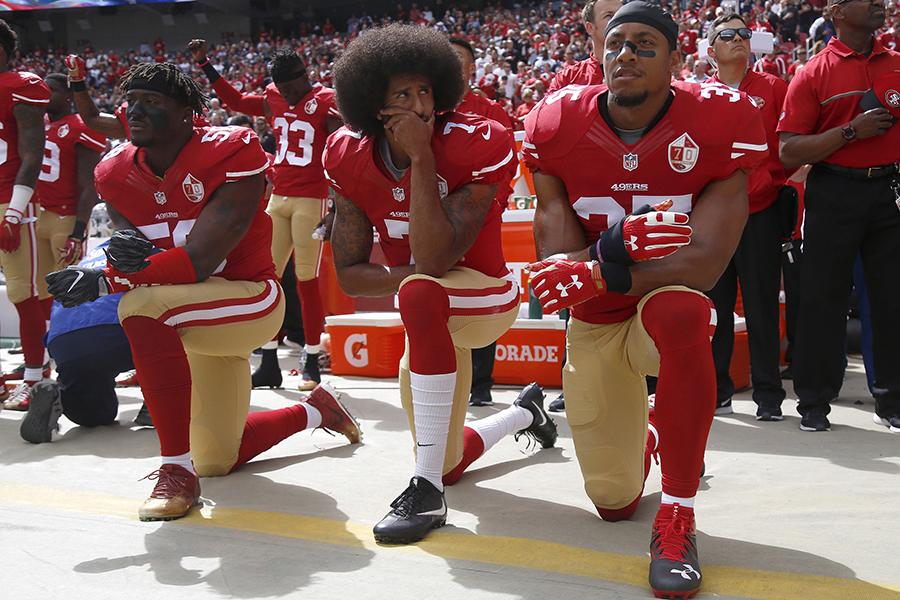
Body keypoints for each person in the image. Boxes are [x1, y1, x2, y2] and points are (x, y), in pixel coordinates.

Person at [45, 62, 361, 522]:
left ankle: (175, 471)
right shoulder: (115, 172)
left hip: (250, 297)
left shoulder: (231, 150)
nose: (136, 110)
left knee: (140, 305)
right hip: (193, 313)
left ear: (188, 113)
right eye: (132, 100)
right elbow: (137, 255)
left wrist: (107, 280)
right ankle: (314, 411)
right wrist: (115, 266)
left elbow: (198, 261)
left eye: (152, 102)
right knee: (217, 458)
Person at [523, 3, 767, 597]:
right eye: (615, 43)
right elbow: (561, 270)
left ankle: (678, 514)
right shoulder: (558, 121)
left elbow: (707, 260)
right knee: (612, 501)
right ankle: (652, 438)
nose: (624, 53)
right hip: (599, 321)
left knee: (683, 310)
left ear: (678, 60)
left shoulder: (719, 118)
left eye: (643, 43)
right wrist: (603, 251)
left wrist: (603, 268)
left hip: (661, 302)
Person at [326, 24, 557, 545]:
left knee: (419, 291)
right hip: (426, 307)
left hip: (486, 293)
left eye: (426, 90)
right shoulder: (345, 153)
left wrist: (423, 157)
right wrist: (408, 277)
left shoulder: (477, 139)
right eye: (402, 95)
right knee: (450, 460)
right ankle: (523, 411)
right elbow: (351, 276)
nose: (421, 104)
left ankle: (425, 490)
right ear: (374, 106)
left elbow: (433, 257)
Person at [188, 40, 342, 392]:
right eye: (282, 88)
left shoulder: (327, 100)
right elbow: (238, 103)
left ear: (306, 77)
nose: (287, 94)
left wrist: (336, 205)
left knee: (306, 279)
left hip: (311, 198)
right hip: (281, 196)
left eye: (292, 87)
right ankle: (269, 359)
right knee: (266, 280)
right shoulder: (274, 95)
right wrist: (205, 64)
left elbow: (341, 151)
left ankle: (311, 357)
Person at [778, 0, 900, 433]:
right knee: (822, 300)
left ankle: (891, 401)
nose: (881, 4)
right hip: (834, 191)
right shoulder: (813, 72)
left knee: (891, 300)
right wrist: (851, 131)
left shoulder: (897, 63)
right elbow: (788, 150)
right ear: (836, 10)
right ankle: (813, 402)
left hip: (890, 191)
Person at [705, 13, 791, 420]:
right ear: (711, 51)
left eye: (744, 34)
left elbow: (788, 150)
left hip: (760, 212)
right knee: (715, 306)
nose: (739, 39)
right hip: (714, 220)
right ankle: (718, 389)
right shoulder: (697, 96)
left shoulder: (775, 88)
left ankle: (769, 396)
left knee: (760, 306)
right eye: (728, 35)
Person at [20, 240, 151, 444]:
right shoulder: (153, 247)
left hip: (63, 341)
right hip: (117, 330)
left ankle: (60, 397)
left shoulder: (93, 253)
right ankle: (154, 405)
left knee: (99, 414)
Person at [449, 36, 517, 408]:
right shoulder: (425, 107)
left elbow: (507, 167)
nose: (452, 64)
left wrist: (495, 206)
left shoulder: (490, 110)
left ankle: (481, 383)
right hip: (437, 222)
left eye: (459, 59)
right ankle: (447, 377)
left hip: (482, 218)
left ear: (473, 68)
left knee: (485, 290)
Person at [0, 19, 52, 411]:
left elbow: (31, 153)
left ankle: (35, 377)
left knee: (23, 292)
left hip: (9, 200)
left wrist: (15, 212)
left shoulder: (21, 85)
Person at [548, 0, 624, 92]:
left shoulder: (643, 69)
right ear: (590, 28)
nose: (619, 20)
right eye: (609, 16)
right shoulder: (567, 79)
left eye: (622, 14)